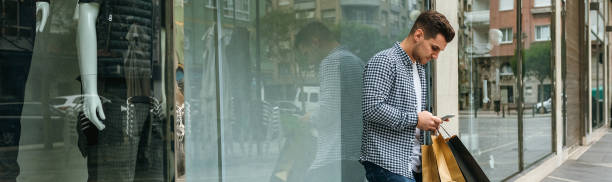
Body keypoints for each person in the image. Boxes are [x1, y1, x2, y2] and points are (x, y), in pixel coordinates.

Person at [360, 10, 455, 182]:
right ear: (419, 34)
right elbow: (371, 108)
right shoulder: (384, 61)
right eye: (434, 48)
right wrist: (417, 120)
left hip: (414, 164)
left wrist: (429, 121)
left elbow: (412, 114)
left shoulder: (419, 69)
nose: (436, 56)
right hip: (388, 164)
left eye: (439, 51)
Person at [292, 22, 366, 182]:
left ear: (315, 42)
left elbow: (328, 112)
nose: (309, 61)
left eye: (306, 54)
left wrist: (308, 118)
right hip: (357, 157)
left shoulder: (332, 62)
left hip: (335, 157)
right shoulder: (356, 62)